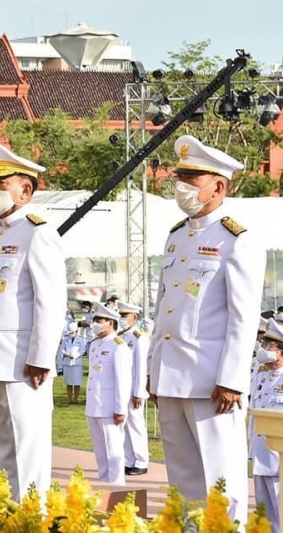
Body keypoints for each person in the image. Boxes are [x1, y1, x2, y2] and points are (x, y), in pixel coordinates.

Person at [148, 135, 265, 523]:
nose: (182, 184)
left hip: (212, 383)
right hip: (171, 377)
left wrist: (232, 379)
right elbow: (163, 310)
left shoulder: (236, 240)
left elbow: (243, 316)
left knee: (221, 483)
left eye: (192, 177)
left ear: (219, 185)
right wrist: (153, 371)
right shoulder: (177, 236)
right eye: (180, 174)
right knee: (183, 484)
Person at [0, 143, 66, 500]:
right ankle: (6, 511)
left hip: (21, 359)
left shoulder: (38, 233)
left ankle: (29, 517)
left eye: (1, 183)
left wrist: (41, 356)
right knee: (0, 444)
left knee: (27, 446)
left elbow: (50, 300)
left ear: (25, 191)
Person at [86, 302, 132, 485]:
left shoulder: (118, 346)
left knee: (113, 451)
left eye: (99, 320)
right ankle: (105, 485)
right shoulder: (95, 345)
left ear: (110, 323)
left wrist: (121, 409)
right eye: (94, 319)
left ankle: (117, 487)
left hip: (109, 407)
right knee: (100, 451)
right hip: (94, 405)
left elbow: (123, 380)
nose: (95, 323)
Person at [250, 319, 283, 533]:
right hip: (260, 454)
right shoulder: (260, 373)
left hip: (279, 458)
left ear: (280, 351)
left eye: (269, 345)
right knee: (264, 515)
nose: (264, 349)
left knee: (281, 512)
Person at [117, 301, 150, 476]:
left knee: (136, 424)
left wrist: (139, 392)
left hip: (133, 388)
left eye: (125, 316)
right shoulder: (122, 336)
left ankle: (141, 460)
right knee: (125, 425)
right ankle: (129, 460)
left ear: (134, 318)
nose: (122, 319)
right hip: (122, 387)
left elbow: (141, 368)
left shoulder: (140, 338)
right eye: (121, 315)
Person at [58, 322, 86, 403]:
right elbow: (62, 349)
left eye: (72, 332)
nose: (70, 334)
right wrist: (66, 354)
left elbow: (82, 350)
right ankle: (70, 398)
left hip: (76, 363)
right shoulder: (65, 339)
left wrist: (75, 355)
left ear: (76, 331)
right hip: (67, 362)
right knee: (68, 382)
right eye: (69, 332)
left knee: (77, 382)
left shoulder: (80, 340)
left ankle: (76, 398)